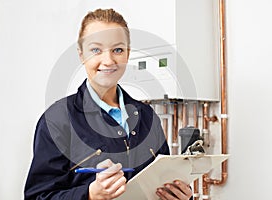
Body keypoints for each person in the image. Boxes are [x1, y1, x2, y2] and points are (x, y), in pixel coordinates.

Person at [24, 8, 193, 200]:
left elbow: (162, 183)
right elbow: (37, 197)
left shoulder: (147, 116)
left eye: (118, 50)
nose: (108, 60)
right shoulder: (57, 120)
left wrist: (180, 196)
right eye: (96, 50)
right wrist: (89, 195)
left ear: (127, 55)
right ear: (81, 55)